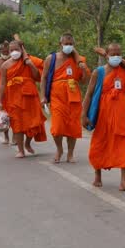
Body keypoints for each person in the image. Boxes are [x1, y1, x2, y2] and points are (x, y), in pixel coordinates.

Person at [81, 43, 125, 192]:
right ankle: (97, 175)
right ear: (106, 55)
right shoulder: (98, 72)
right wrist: (84, 115)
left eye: (118, 54)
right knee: (100, 144)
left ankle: (124, 182)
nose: (116, 57)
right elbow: (89, 94)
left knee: (124, 146)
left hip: (122, 115)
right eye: (113, 54)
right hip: (103, 115)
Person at [43, 33, 90, 163]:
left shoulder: (79, 60)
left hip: (73, 96)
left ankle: (70, 153)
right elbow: (44, 78)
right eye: (66, 44)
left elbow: (84, 81)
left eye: (70, 44)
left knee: (73, 126)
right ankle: (59, 149)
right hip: (57, 96)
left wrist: (84, 69)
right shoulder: (51, 58)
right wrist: (44, 96)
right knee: (57, 127)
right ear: (60, 44)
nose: (68, 46)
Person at [0, 40, 47, 158]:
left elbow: (37, 77)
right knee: (17, 124)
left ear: (21, 50)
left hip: (30, 96)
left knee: (34, 122)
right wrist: (0, 101)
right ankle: (20, 150)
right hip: (13, 99)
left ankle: (27, 143)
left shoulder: (27, 61)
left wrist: (30, 64)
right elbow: (2, 84)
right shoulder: (5, 65)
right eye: (11, 50)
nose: (14, 52)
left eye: (16, 50)